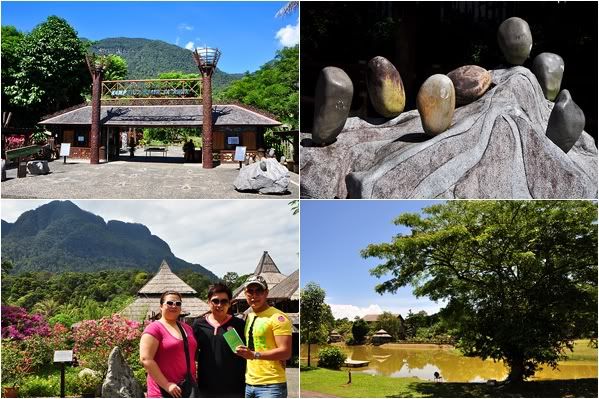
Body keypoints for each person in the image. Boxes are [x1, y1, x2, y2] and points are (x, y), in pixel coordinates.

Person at [235, 275, 292, 398]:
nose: (254, 295)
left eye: (258, 291)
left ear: (266, 293)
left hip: (271, 384)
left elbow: (286, 352)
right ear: (245, 294)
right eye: (250, 291)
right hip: (250, 383)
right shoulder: (248, 317)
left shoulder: (278, 317)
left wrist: (254, 355)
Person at [140, 291, 198, 398]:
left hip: (187, 388)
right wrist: (166, 384)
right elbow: (146, 359)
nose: (174, 306)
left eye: (178, 303)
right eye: (170, 303)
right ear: (161, 306)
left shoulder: (187, 328)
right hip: (163, 390)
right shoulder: (154, 328)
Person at [193, 282, 246, 397]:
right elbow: (193, 352)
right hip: (206, 386)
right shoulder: (198, 325)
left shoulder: (240, 324)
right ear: (208, 302)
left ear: (230, 303)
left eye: (224, 301)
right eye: (215, 301)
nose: (219, 305)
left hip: (235, 387)